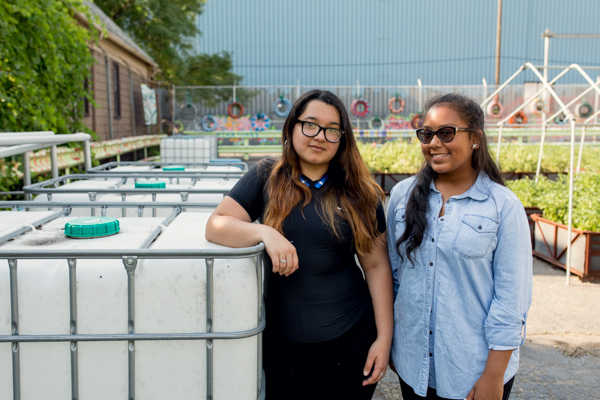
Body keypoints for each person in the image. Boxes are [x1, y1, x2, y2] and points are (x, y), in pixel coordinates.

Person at [205, 89, 393, 400]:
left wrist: (384, 338)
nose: (320, 136)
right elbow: (217, 224)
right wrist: (265, 233)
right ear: (292, 127)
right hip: (282, 346)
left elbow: (376, 265)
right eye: (310, 124)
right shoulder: (266, 176)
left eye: (332, 129)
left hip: (351, 339)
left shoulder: (359, 192)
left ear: (342, 138)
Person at [387, 93, 532, 400]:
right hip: (414, 365)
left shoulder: (503, 206)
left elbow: (511, 301)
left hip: (472, 370)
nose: (434, 143)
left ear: (475, 139)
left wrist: (493, 375)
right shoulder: (402, 196)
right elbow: (396, 279)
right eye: (426, 134)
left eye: (446, 133)